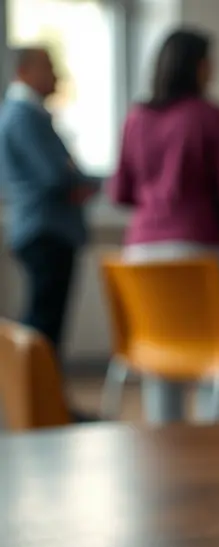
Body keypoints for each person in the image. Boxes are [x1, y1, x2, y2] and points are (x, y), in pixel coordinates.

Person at [110, 27, 219, 426]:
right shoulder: (214, 117)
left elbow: (120, 192)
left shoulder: (135, 119)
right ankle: (217, 453)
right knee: (217, 363)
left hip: (139, 254)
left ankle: (165, 452)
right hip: (200, 250)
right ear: (199, 66)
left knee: (161, 360)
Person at [0, 47, 100, 422]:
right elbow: (57, 177)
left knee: (45, 327)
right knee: (42, 330)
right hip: (45, 230)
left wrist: (76, 175)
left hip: (42, 229)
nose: (57, 75)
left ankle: (47, 406)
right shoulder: (24, 116)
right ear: (24, 71)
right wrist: (77, 175)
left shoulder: (27, 115)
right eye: (49, 68)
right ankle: (40, 409)